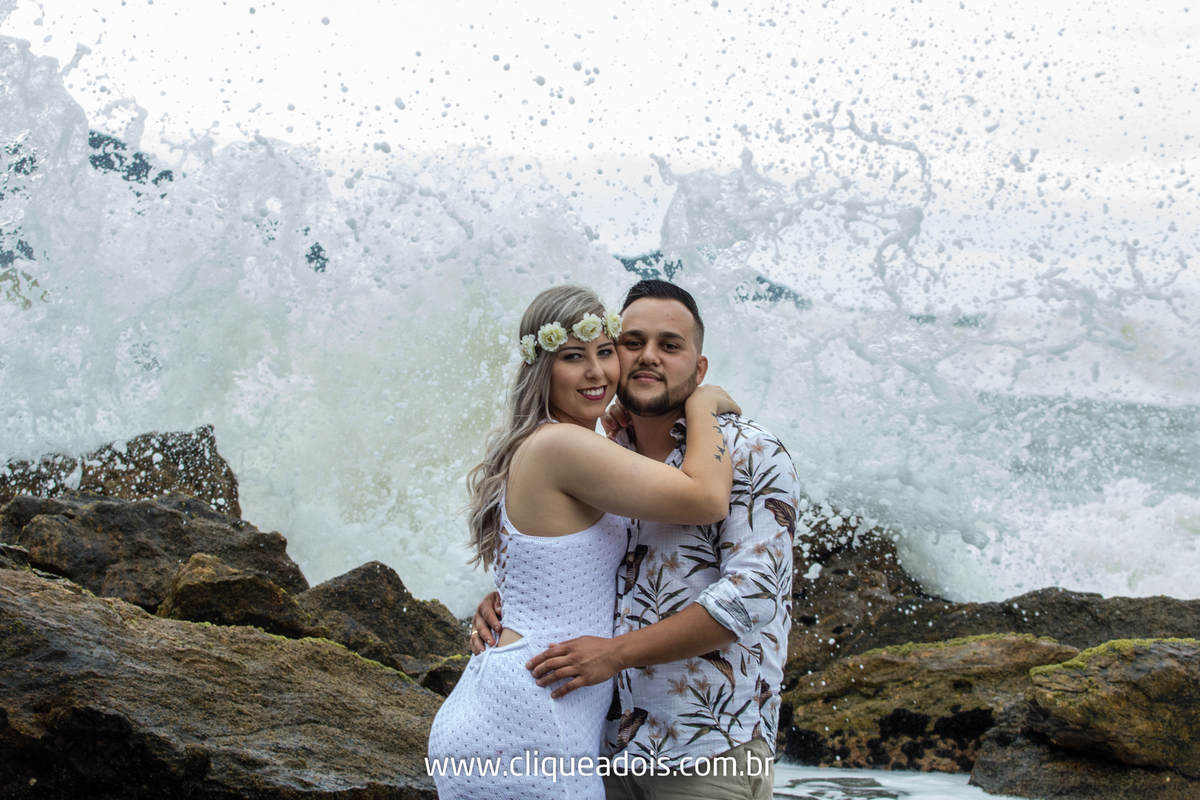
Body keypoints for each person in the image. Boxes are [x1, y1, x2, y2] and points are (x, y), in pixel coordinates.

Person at [473, 279, 799, 800]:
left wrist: (617, 653)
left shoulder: (750, 451)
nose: (648, 357)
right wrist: (505, 603)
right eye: (632, 342)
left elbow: (752, 599)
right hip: (600, 746)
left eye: (669, 345)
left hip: (704, 751)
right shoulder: (605, 450)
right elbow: (574, 564)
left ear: (699, 368)